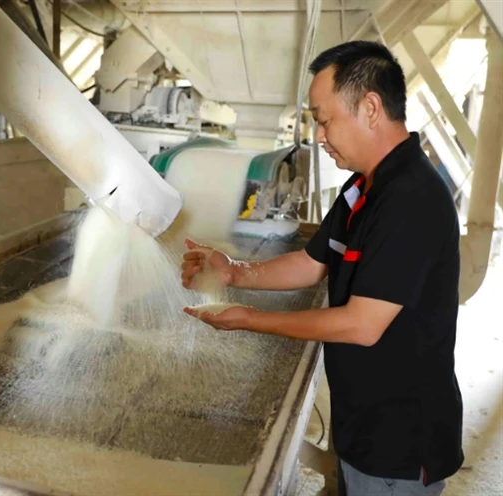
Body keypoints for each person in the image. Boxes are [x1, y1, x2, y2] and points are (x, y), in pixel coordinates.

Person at [181, 41, 464, 496]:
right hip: (362, 423)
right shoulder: (361, 189)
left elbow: (362, 325)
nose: (319, 135)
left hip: (401, 446)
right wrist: (235, 271)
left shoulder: (412, 200)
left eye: (324, 119)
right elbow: (312, 264)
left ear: (371, 107)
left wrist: (250, 320)